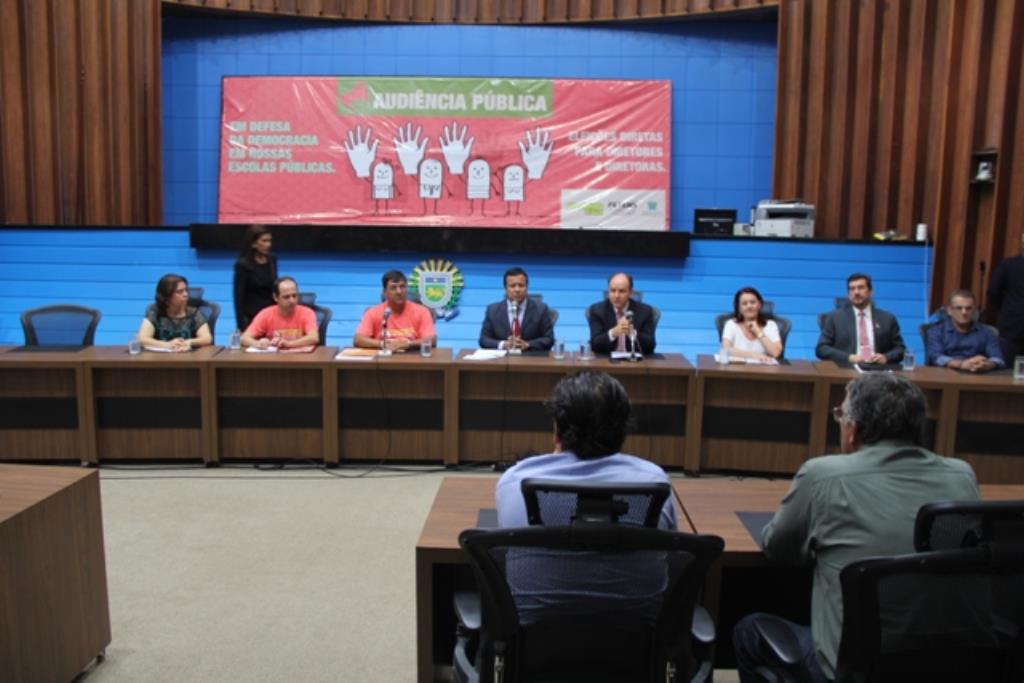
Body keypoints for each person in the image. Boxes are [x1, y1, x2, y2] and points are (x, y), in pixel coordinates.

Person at [733, 374, 979, 682]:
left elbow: (777, 547)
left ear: (854, 431)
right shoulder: (962, 476)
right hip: (948, 664)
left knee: (749, 630)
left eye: (841, 415)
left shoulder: (822, 475)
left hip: (856, 669)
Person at [496, 370, 675, 530]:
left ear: (557, 431)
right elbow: (670, 554)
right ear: (622, 430)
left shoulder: (514, 482)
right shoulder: (655, 482)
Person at [815, 273, 905, 364]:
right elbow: (821, 349)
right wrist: (849, 357)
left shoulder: (887, 319)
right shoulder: (834, 318)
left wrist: (886, 357)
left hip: (878, 371)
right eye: (852, 289)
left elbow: (900, 349)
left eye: (861, 287)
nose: (856, 292)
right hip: (846, 369)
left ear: (871, 291)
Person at [354, 270, 436, 351]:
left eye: (402, 287)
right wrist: (383, 344)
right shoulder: (373, 312)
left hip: (413, 359)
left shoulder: (422, 312)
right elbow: (358, 339)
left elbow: (431, 339)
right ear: (385, 292)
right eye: (393, 288)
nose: (399, 292)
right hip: (383, 359)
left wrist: (408, 344)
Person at [926, 289, 1004, 372]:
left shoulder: (987, 332)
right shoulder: (936, 331)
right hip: (945, 376)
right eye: (959, 308)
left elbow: (997, 359)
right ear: (949, 310)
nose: (964, 312)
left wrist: (985, 365)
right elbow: (936, 357)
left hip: (977, 376)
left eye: (968, 308)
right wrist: (962, 364)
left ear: (974, 310)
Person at [479, 266, 554, 351]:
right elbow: (483, 340)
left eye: (521, 285)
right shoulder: (492, 310)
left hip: (531, 359)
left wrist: (527, 344)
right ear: (505, 288)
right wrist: (504, 344)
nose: (517, 289)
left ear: (527, 287)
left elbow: (549, 339)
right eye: (512, 286)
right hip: (502, 360)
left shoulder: (541, 309)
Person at [586, 272, 657, 355]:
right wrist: (614, 332)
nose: (616, 295)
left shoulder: (645, 311)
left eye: (621, 291)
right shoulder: (597, 310)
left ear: (631, 292)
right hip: (607, 362)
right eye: (613, 291)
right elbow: (594, 344)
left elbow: (650, 346)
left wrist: (632, 333)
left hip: (636, 363)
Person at [137, 274, 212, 352]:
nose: (186, 294)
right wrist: (168, 345)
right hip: (160, 359)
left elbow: (207, 338)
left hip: (188, 358)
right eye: (180, 291)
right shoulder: (155, 312)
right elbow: (142, 339)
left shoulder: (194, 313)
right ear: (166, 296)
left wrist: (188, 342)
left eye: (186, 290)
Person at [240, 276, 318, 349]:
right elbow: (244, 338)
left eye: (294, 296)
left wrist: (289, 344)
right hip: (274, 360)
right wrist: (258, 343)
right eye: (286, 297)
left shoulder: (307, 313)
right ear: (275, 297)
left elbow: (314, 337)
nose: (292, 301)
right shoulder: (266, 314)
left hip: (300, 360)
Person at [987, 232, 1024, 365]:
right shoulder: (1008, 265)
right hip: (1012, 328)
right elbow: (993, 291)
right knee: (1005, 370)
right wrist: (1009, 308)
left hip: (1012, 322)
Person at [233, 225, 278, 332]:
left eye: (270, 241)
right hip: (252, 318)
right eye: (264, 241)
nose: (268, 244)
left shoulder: (272, 260)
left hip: (271, 316)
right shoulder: (243, 265)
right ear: (253, 243)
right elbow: (239, 299)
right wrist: (242, 328)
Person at [720, 286, 782, 361]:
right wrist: (753, 355)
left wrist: (757, 331)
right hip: (736, 370)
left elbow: (776, 353)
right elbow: (726, 349)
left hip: (763, 370)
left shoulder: (771, 325)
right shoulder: (731, 324)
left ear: (760, 305)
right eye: (744, 303)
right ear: (739, 308)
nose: (749, 306)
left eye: (753, 302)